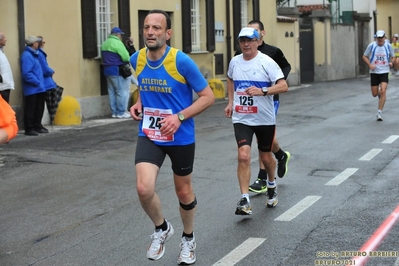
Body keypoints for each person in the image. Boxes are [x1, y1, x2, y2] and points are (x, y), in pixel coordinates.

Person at [129, 9, 214, 265]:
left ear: (168, 33)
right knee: (144, 188)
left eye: (156, 28)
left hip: (180, 135)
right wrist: (139, 101)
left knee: (183, 191)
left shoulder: (182, 61)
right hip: (151, 133)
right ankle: (161, 227)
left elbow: (208, 97)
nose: (150, 32)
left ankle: (188, 238)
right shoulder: (136, 58)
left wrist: (178, 118)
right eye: (146, 27)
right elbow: (145, 84)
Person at [225, 27, 288, 215]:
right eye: (242, 41)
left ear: (257, 42)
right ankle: (244, 199)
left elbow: (283, 86)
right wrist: (230, 102)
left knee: (266, 157)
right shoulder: (235, 62)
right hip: (242, 117)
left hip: (264, 118)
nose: (246, 44)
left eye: (249, 40)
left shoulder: (266, 62)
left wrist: (263, 91)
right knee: (243, 155)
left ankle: (271, 183)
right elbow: (229, 79)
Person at [235, 20, 291, 194]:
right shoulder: (240, 54)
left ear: (262, 34)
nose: (248, 40)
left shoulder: (272, 53)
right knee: (268, 141)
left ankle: (262, 177)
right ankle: (281, 155)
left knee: (262, 140)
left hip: (269, 99)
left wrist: (271, 83)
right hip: (247, 104)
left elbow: (285, 68)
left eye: (254, 34)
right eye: (245, 36)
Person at [362, 30, 394, 121]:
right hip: (374, 72)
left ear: (384, 37)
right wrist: (370, 65)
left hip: (385, 71)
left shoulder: (388, 45)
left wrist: (391, 62)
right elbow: (364, 56)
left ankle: (379, 112)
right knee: (375, 94)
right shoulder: (372, 45)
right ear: (376, 38)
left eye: (381, 38)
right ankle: (380, 95)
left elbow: (393, 56)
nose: (380, 40)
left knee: (383, 90)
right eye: (378, 38)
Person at [101, 27, 131, 118]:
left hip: (107, 70)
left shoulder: (105, 43)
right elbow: (126, 57)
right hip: (117, 70)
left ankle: (114, 112)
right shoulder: (118, 43)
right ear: (117, 35)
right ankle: (121, 112)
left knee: (111, 92)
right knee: (121, 92)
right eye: (120, 35)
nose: (121, 37)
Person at [20, 36, 47, 136]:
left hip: (38, 87)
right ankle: (29, 128)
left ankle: (37, 125)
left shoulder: (34, 54)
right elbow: (27, 73)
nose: (38, 44)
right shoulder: (27, 55)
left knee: (39, 108)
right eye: (37, 42)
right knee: (31, 108)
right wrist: (37, 82)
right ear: (33, 44)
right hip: (32, 88)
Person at [37, 36, 57, 132]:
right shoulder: (40, 54)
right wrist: (51, 71)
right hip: (45, 82)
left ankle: (38, 124)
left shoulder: (39, 53)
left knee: (42, 104)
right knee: (42, 104)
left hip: (45, 82)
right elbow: (44, 68)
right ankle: (38, 124)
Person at [0, 31, 15, 103]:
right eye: (4, 38)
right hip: (2, 86)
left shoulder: (1, 51)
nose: (6, 39)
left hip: (5, 85)